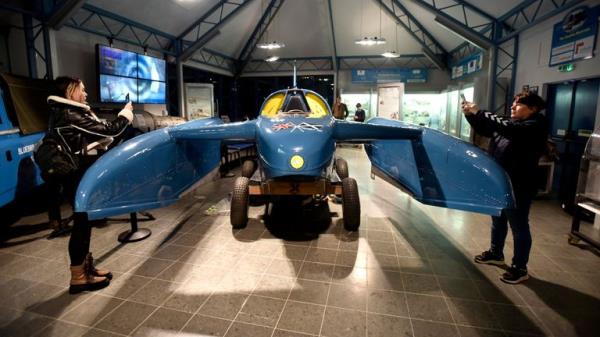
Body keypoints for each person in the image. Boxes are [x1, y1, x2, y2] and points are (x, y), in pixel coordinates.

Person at [44, 76, 133, 293]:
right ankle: (79, 277)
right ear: (70, 91)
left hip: (76, 173)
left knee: (85, 223)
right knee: (82, 224)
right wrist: (125, 115)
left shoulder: (66, 113)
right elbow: (111, 129)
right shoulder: (69, 113)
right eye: (81, 90)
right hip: (75, 175)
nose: (85, 94)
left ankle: (86, 269)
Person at [462, 91, 548, 284]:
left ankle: (519, 267)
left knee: (519, 226)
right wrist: (470, 115)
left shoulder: (535, 126)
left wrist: (480, 111)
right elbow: (486, 129)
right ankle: (496, 252)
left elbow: (508, 128)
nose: (512, 107)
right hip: (500, 182)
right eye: (513, 104)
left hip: (519, 186)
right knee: (498, 221)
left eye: (518, 104)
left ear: (533, 108)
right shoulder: (513, 125)